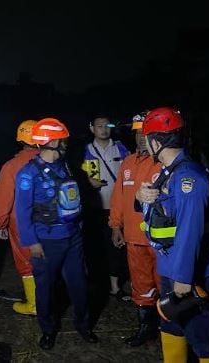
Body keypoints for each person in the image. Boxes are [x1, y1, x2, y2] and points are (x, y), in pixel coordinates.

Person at [136, 107, 209, 362]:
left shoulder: (188, 177)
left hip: (191, 275)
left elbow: (190, 229)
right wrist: (140, 197)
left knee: (205, 339)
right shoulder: (168, 173)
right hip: (170, 266)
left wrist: (183, 277)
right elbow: (163, 210)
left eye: (146, 141)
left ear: (155, 142)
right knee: (171, 326)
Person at [15, 118, 98, 350]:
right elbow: (22, 211)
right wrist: (31, 242)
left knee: (79, 284)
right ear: (51, 142)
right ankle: (48, 330)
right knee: (46, 288)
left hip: (73, 238)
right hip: (46, 241)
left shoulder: (66, 166)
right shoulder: (27, 173)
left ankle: (84, 325)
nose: (66, 145)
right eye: (63, 141)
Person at [109, 113, 162, 346]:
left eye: (146, 133)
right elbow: (118, 198)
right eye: (138, 133)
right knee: (140, 285)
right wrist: (115, 226)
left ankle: (170, 329)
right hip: (133, 237)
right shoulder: (128, 163)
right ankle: (146, 328)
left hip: (160, 241)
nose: (142, 138)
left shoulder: (165, 163)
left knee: (165, 285)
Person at [0, 120, 39, 315]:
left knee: (26, 262)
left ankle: (35, 304)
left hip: (21, 223)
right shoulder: (54, 160)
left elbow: (3, 200)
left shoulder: (11, 166)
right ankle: (50, 298)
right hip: (50, 222)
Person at [82, 116, 129, 299]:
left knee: (118, 247)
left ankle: (116, 286)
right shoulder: (89, 150)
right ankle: (103, 282)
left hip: (118, 207)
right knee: (100, 246)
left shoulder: (120, 147)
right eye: (99, 126)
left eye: (107, 126)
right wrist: (91, 182)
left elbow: (129, 170)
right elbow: (91, 178)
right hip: (98, 207)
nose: (104, 129)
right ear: (92, 128)